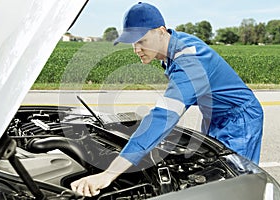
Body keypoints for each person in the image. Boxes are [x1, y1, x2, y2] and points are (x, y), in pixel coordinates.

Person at [71, 2, 264, 197]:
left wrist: (109, 174)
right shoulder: (172, 46)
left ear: (161, 31)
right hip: (215, 116)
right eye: (133, 42)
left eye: (142, 40)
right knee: (212, 171)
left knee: (233, 184)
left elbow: (163, 117)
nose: (136, 49)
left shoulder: (189, 61)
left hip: (240, 118)